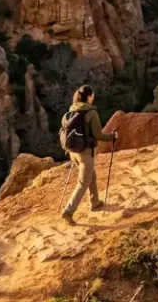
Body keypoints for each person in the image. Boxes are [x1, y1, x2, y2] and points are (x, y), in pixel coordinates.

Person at [61, 85, 117, 223]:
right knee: (83, 182)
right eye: (92, 95)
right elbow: (98, 135)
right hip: (85, 153)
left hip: (72, 152)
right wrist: (112, 136)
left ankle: (95, 202)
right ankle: (68, 212)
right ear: (89, 97)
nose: (94, 97)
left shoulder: (70, 111)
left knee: (91, 175)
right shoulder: (91, 113)